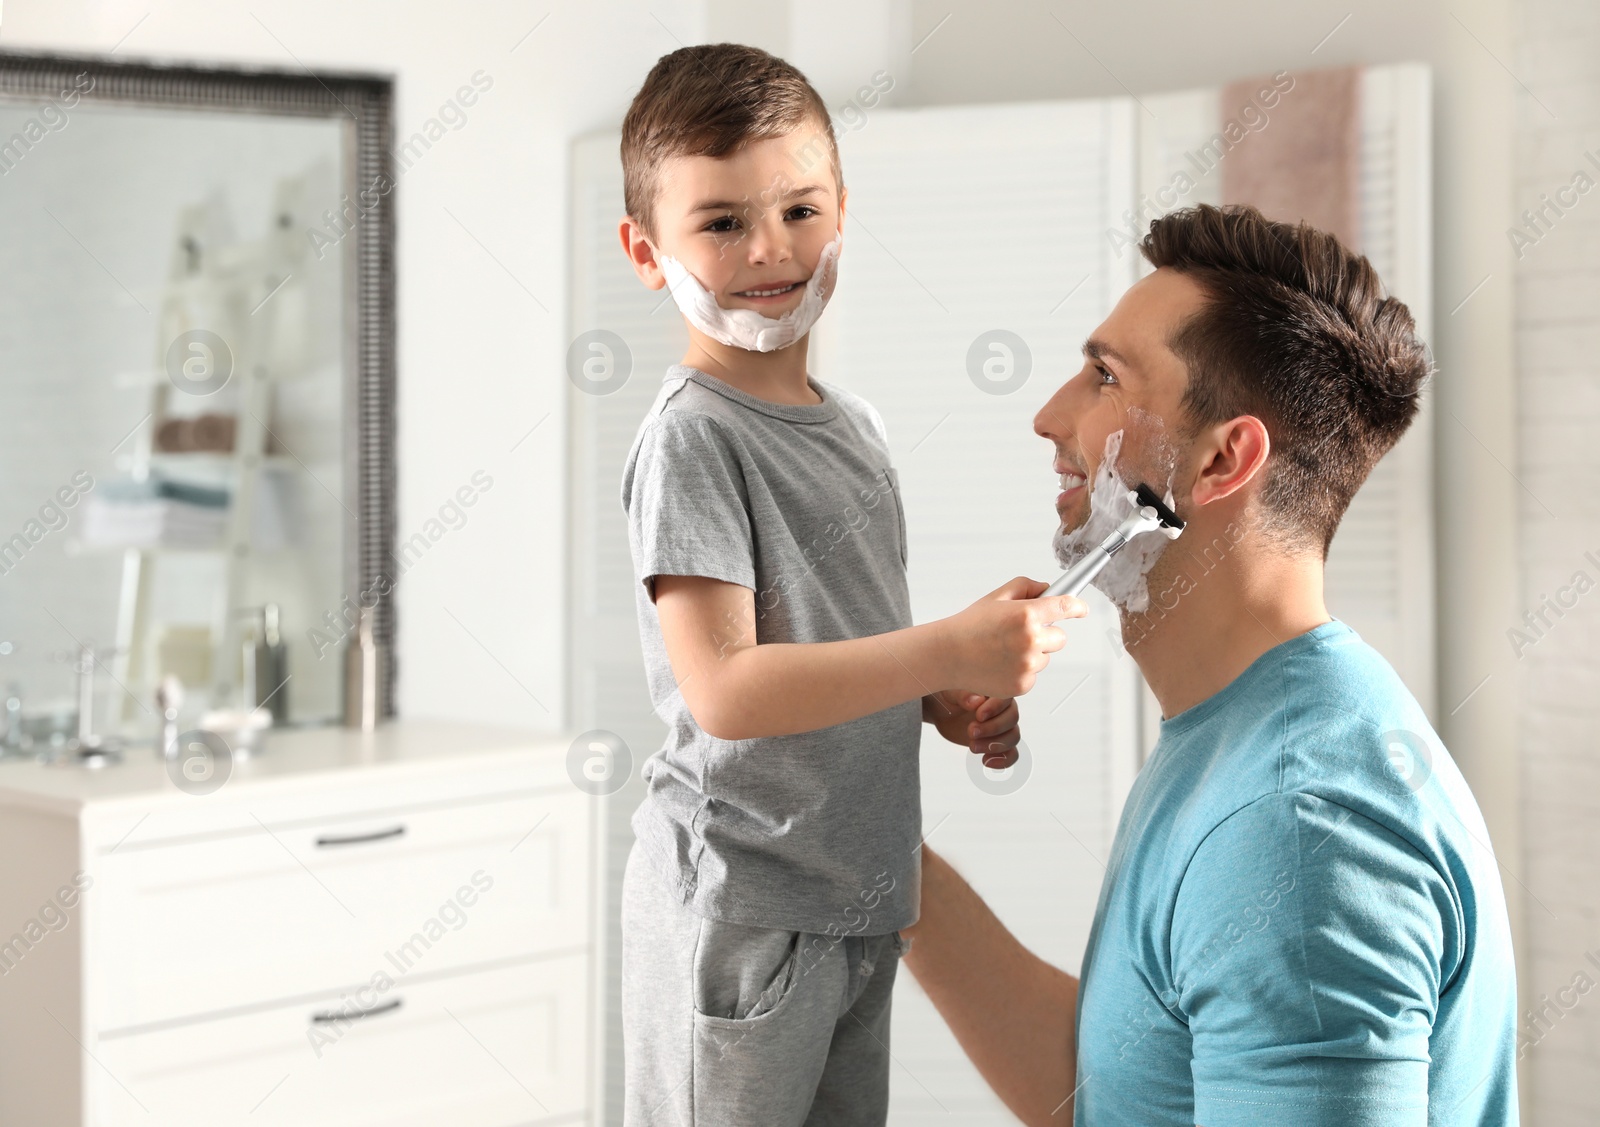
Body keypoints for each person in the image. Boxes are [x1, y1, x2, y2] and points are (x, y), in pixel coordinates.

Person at [902, 204, 1519, 1126]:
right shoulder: (1243, 733)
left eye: (1103, 376)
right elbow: (1118, 1085)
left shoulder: (1295, 824)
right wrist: (874, 846)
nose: (1047, 416)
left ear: (1223, 459)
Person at [614, 44, 1080, 1126]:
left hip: (856, 898)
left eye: (798, 209)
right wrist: (948, 649)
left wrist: (939, 699)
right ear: (647, 252)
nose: (769, 248)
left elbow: (831, 637)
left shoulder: (855, 428)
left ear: (842, 212)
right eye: (720, 222)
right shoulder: (693, 439)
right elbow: (725, 689)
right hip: (739, 909)